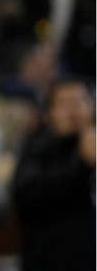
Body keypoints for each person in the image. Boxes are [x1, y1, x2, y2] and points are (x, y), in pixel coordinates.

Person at [11, 78, 95, 271]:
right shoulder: (38, 148)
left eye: (79, 101)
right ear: (49, 114)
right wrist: (81, 164)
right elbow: (27, 196)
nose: (73, 111)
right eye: (64, 104)